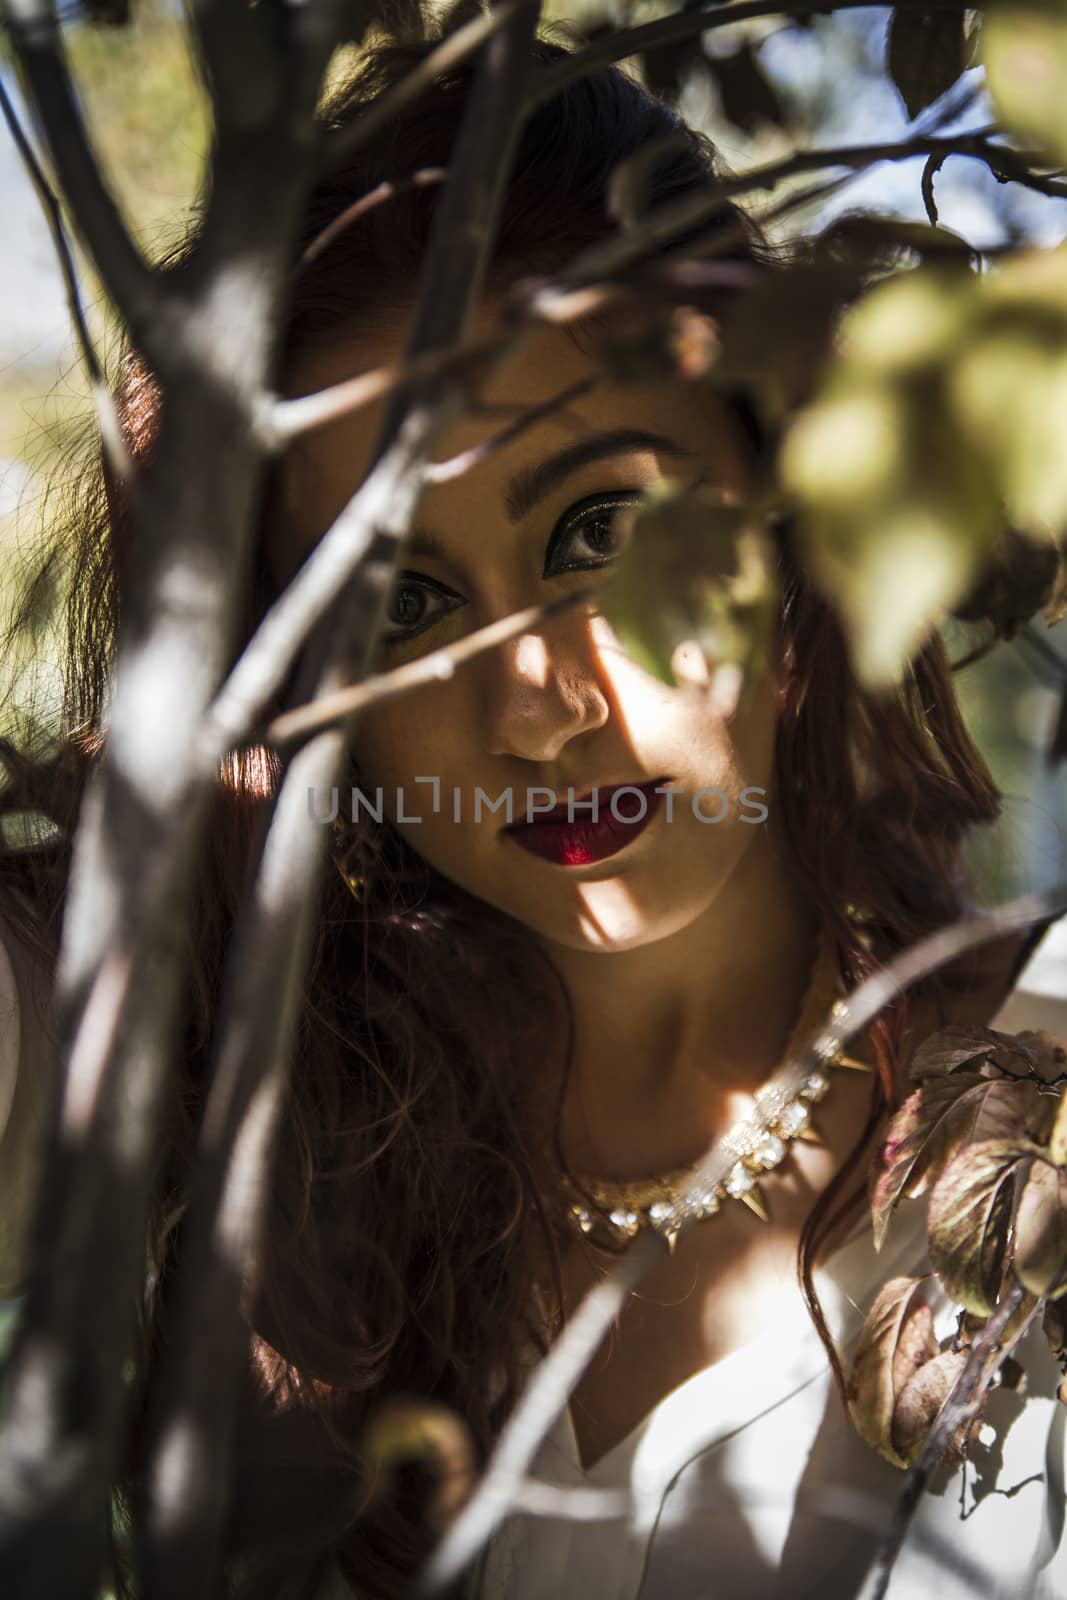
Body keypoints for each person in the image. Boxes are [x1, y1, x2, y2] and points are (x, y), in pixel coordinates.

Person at [1, 23, 1065, 1600]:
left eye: (598, 531)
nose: (535, 703)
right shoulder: (258, 1100)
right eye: (405, 607)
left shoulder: (1047, 1063)